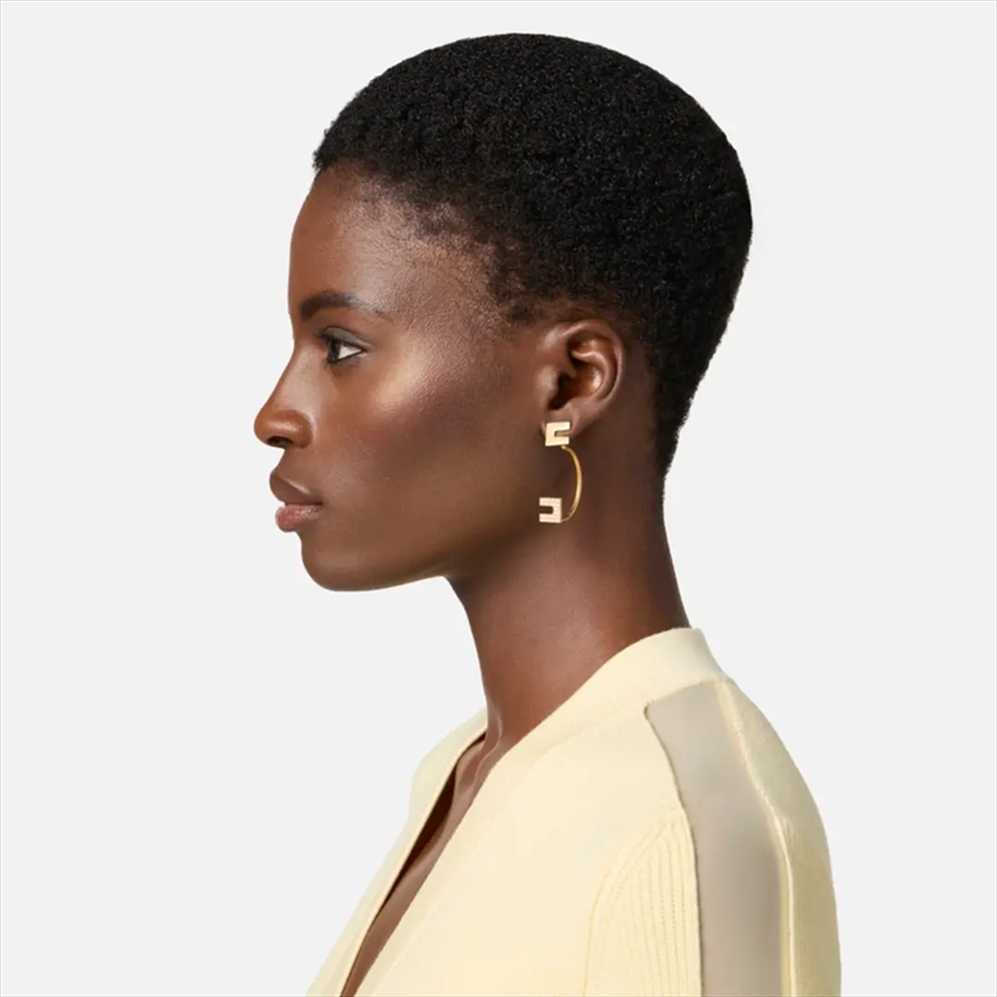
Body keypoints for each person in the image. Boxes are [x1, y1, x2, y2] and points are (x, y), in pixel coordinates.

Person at [253, 32, 840, 997]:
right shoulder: (466, 770)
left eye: (341, 346)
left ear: (571, 380)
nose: (276, 413)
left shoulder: (680, 829)